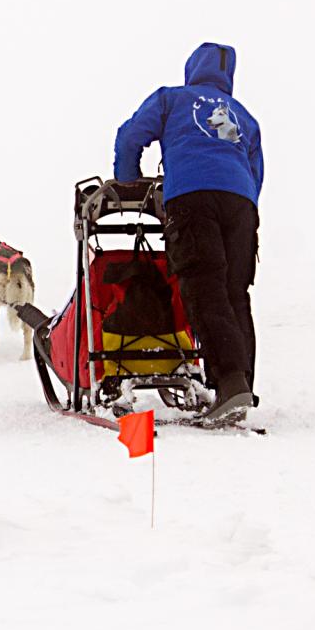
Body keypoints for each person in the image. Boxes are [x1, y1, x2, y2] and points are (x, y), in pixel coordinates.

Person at [113, 43, 264, 425]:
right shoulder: (244, 116)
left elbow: (131, 136)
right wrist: (242, 203)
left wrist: (128, 180)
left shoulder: (172, 99)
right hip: (241, 204)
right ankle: (238, 382)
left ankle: (229, 384)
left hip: (192, 199)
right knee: (235, 294)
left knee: (203, 286)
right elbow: (255, 170)